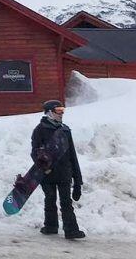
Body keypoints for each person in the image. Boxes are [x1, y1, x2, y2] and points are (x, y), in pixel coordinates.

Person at [31, 100, 85, 239]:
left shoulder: (65, 130)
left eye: (63, 110)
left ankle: (71, 230)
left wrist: (78, 181)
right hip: (48, 173)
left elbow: (72, 155)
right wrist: (44, 167)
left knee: (66, 202)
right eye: (58, 111)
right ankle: (50, 226)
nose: (61, 114)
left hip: (64, 173)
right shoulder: (40, 130)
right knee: (50, 199)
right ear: (49, 113)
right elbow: (34, 152)